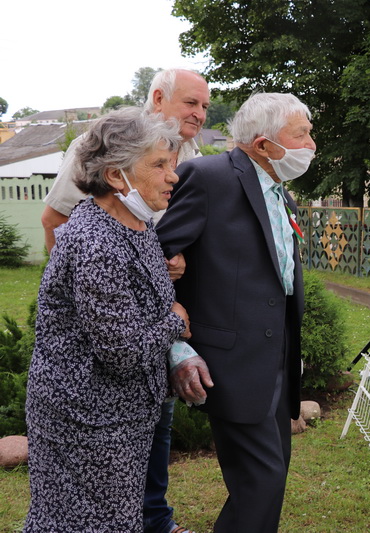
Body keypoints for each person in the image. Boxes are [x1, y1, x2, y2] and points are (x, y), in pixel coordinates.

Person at [38, 68, 209, 533]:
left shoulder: (132, 227)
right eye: (159, 165)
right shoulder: (97, 241)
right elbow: (122, 352)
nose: (173, 177)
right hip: (88, 417)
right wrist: (176, 321)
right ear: (116, 175)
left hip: (118, 414)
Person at [157, 92, 315, 532]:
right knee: (262, 480)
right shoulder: (208, 176)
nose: (312, 145)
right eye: (301, 134)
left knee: (269, 474)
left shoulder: (280, 191)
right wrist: (176, 345)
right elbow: (155, 257)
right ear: (263, 144)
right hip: (230, 360)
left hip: (275, 356)